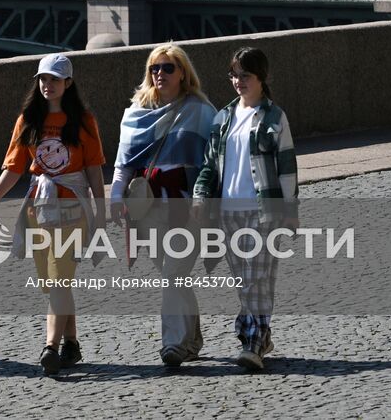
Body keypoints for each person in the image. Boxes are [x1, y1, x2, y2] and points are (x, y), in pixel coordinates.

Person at [0, 53, 106, 376]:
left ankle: (50, 347)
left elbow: (94, 171)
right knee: (53, 283)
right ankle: (72, 344)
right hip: (40, 208)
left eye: (53, 79)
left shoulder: (84, 121)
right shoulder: (28, 120)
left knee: (61, 278)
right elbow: (14, 167)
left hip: (72, 207)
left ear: (68, 83)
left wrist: (100, 210)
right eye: (42, 79)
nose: (47, 85)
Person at [110, 43, 216, 367]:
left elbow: (213, 162)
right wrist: (116, 195)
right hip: (149, 207)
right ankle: (192, 340)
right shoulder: (135, 113)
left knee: (173, 273)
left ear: (183, 73)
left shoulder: (200, 110)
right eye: (154, 68)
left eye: (168, 67)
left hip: (188, 205)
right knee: (174, 277)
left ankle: (172, 344)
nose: (160, 74)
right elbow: (124, 163)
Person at [193, 46, 297, 371]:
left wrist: (289, 211)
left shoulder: (274, 117)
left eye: (245, 75)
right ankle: (261, 335)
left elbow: (287, 167)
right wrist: (200, 195)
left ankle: (250, 342)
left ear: (261, 78)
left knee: (255, 278)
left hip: (263, 210)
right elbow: (210, 165)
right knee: (247, 281)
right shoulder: (222, 118)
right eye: (234, 75)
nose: (238, 81)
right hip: (228, 211)